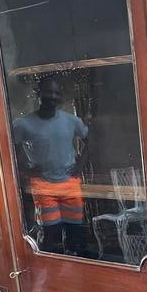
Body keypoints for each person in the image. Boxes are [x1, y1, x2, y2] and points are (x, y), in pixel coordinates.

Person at [12, 74, 89, 253]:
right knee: (50, 235)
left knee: (75, 234)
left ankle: (75, 273)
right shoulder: (23, 124)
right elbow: (11, 151)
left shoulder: (72, 121)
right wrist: (26, 169)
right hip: (43, 186)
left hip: (70, 183)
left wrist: (80, 165)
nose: (53, 97)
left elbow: (90, 141)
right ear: (38, 93)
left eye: (57, 93)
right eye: (48, 92)